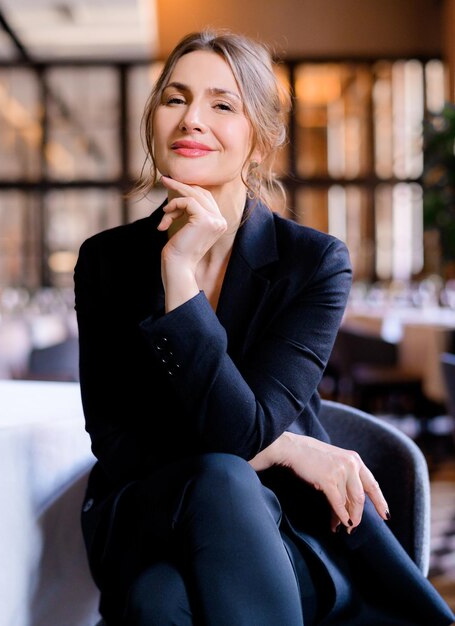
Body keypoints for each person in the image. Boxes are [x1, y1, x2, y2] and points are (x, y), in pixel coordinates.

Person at [74, 29, 455, 626]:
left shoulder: (314, 262)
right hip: (145, 517)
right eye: (175, 99)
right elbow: (116, 442)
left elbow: (239, 433)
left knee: (160, 601)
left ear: (259, 139)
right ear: (153, 119)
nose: (192, 119)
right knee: (219, 478)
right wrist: (289, 446)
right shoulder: (108, 261)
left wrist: (179, 281)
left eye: (222, 105)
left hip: (282, 531)